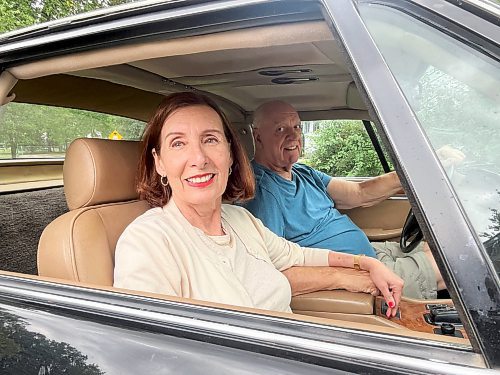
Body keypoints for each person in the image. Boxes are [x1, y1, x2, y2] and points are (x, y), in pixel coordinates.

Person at [114, 92, 403, 316]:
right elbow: (148, 353)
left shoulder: (240, 220)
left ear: (229, 154)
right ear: (159, 163)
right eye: (178, 143)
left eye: (210, 139)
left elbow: (300, 256)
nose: (199, 158)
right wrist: (352, 278)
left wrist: (364, 264)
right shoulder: (147, 241)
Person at [243, 100, 465, 300]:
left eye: (297, 126)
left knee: (443, 249)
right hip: (357, 275)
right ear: (258, 136)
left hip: (368, 256)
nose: (293, 136)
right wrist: (348, 276)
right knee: (456, 265)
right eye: (280, 129)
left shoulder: (303, 173)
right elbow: (273, 269)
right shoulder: (262, 192)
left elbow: (359, 193)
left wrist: (420, 168)